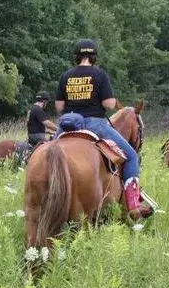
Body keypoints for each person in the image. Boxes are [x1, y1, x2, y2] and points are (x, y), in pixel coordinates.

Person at [54, 38, 143, 212]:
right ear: (94, 56)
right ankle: (133, 205)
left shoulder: (66, 75)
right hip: (94, 124)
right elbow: (110, 105)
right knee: (131, 156)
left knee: (45, 151)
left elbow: (59, 107)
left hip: (67, 125)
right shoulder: (100, 75)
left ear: (76, 56)